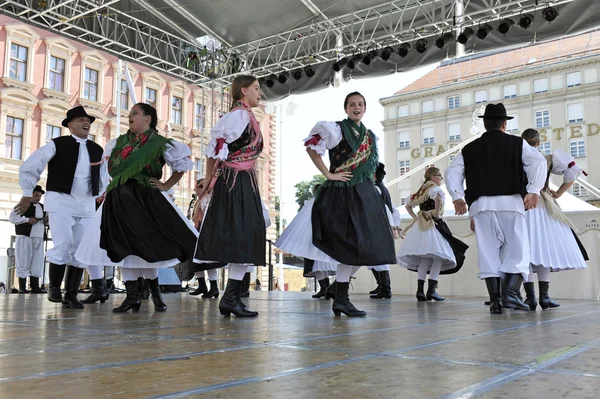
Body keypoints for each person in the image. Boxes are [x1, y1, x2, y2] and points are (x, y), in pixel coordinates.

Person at [279, 92, 397, 316]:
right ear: (346, 108)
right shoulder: (334, 129)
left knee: (370, 247)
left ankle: (339, 292)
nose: (357, 107)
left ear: (365, 108)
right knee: (350, 246)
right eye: (352, 104)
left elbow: (370, 169)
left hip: (364, 194)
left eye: (360, 104)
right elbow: (311, 148)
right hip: (342, 194)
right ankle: (341, 297)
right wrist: (329, 174)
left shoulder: (370, 136)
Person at [75, 103, 197, 313]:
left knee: (147, 245)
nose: (129, 116)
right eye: (130, 113)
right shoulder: (118, 143)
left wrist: (166, 185)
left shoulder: (160, 143)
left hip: (145, 199)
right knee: (122, 245)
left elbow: (181, 165)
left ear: (148, 118)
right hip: (118, 199)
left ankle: (155, 293)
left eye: (135, 113)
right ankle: (132, 297)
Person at [445, 103, 546, 314]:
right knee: (519, 250)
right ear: (504, 123)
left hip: (481, 206)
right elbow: (538, 161)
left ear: (484, 124)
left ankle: (495, 301)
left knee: (488, 252)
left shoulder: (470, 148)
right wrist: (533, 189)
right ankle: (511, 294)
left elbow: (452, 172)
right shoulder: (517, 144)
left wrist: (457, 197)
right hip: (510, 203)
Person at [15, 106, 107, 309]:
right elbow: (31, 166)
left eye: (88, 120)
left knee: (81, 249)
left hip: (86, 205)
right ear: (70, 125)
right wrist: (27, 193)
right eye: (82, 119)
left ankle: (71, 294)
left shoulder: (96, 149)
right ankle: (54, 287)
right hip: (61, 201)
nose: (87, 123)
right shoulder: (57, 144)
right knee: (63, 243)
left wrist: (103, 195)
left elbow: (103, 178)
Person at [194, 75, 267, 318]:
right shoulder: (238, 115)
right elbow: (215, 147)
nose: (260, 93)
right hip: (235, 180)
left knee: (246, 235)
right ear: (243, 90)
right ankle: (230, 297)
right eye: (256, 88)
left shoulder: (246, 116)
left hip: (242, 179)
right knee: (242, 233)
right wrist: (207, 181)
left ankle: (231, 297)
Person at [520, 129, 588, 310]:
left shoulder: (515, 159)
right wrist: (557, 193)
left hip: (522, 206)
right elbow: (573, 172)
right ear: (538, 143)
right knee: (544, 250)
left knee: (525, 252)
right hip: (542, 206)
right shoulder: (548, 159)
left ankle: (530, 298)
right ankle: (544, 297)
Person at [398, 167, 468, 301]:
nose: (440, 179)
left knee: (425, 259)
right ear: (433, 177)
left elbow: (408, 206)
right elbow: (437, 199)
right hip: (433, 224)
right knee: (438, 257)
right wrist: (436, 213)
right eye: (439, 176)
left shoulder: (421, 190)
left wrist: (416, 217)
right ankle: (431, 291)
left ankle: (420, 291)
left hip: (420, 226)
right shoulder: (434, 188)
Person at [277, 183, 337, 299]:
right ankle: (326, 288)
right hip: (324, 239)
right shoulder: (328, 203)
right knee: (321, 264)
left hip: (314, 239)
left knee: (317, 265)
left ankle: (325, 288)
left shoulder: (313, 203)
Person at [368, 162, 402, 299]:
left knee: (379, 259)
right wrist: (393, 225)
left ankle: (385, 288)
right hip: (382, 227)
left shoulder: (376, 189)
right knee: (373, 259)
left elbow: (380, 211)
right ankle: (382, 286)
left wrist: (391, 226)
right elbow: (394, 211)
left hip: (378, 228)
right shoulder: (382, 188)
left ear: (374, 174)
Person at [9, 185, 47, 294]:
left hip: (39, 236)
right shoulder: (22, 205)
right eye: (36, 195)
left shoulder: (43, 207)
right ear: (30, 194)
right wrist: (26, 220)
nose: (38, 198)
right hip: (25, 236)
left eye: (39, 196)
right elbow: (12, 218)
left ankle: (35, 287)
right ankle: (22, 287)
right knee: (23, 260)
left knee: (37, 261)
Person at [188, 179, 219, 299]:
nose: (196, 188)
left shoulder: (206, 199)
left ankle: (213, 287)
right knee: (198, 261)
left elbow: (208, 215)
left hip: (203, 232)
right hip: (198, 231)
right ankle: (203, 285)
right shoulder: (199, 200)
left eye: (199, 186)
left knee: (207, 262)